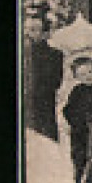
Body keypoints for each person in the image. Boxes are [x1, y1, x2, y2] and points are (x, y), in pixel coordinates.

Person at [61, 55, 92, 183]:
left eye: (90, 71)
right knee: (80, 160)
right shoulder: (76, 91)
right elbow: (68, 111)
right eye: (82, 74)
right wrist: (76, 122)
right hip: (80, 134)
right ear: (76, 77)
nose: (88, 76)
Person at [23, 9, 64, 143]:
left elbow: (54, 83)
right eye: (27, 29)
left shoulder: (54, 55)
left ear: (45, 34)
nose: (28, 34)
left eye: (34, 30)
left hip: (42, 111)